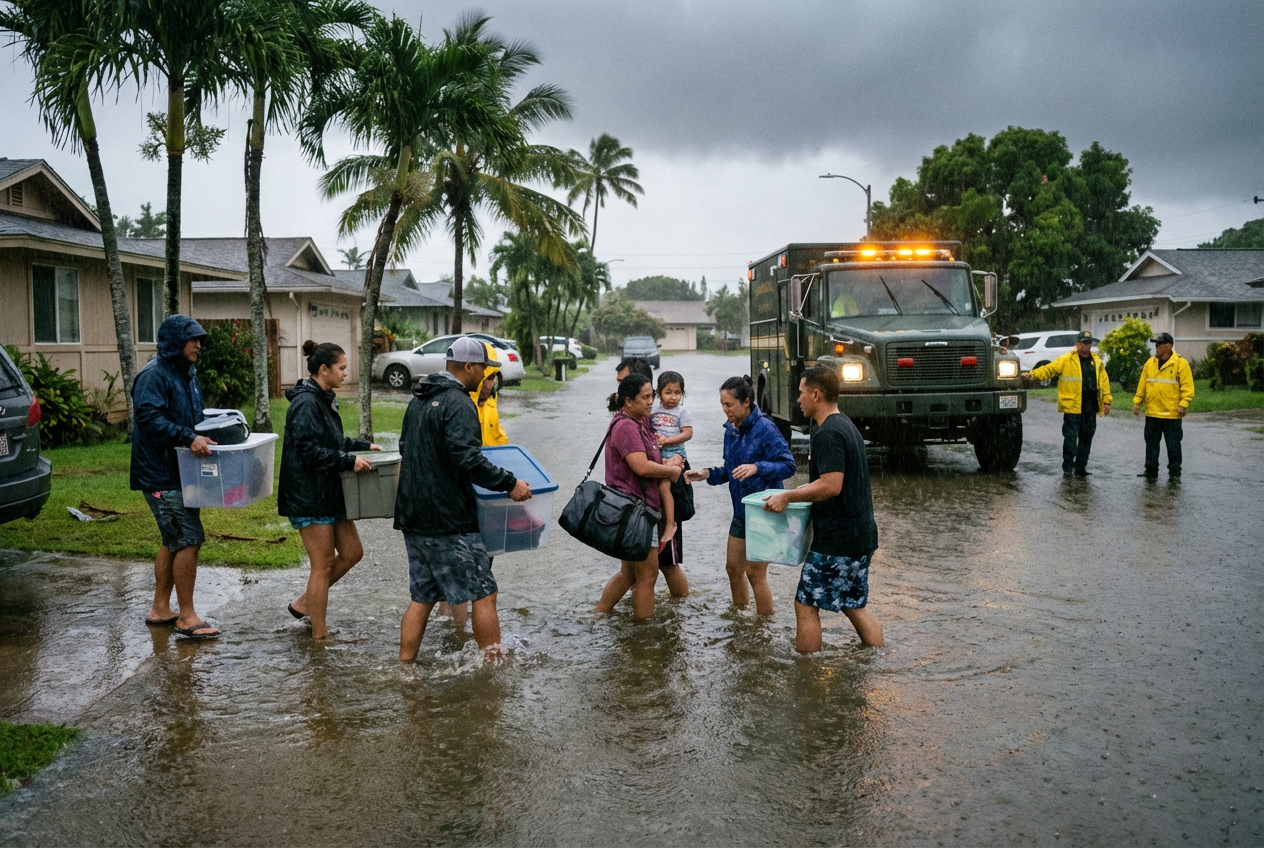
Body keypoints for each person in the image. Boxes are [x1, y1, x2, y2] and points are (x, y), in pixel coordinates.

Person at [395, 337, 532, 662]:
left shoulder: (419, 399)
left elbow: (405, 448)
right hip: (448, 521)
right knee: (485, 592)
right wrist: (509, 483)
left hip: (414, 518)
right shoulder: (458, 403)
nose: (486, 376)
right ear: (469, 367)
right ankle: (493, 666)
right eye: (484, 369)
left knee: (422, 597)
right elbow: (467, 460)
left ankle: (405, 667)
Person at [763, 366, 883, 652]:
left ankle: (808, 676)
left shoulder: (827, 434)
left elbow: (831, 485)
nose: (798, 400)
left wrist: (788, 497)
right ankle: (879, 657)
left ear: (816, 394)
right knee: (853, 605)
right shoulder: (846, 425)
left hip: (838, 541)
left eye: (801, 393)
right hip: (860, 536)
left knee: (805, 605)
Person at [278, 341, 381, 640]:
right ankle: (319, 637)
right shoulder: (306, 403)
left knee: (352, 552)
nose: (345, 374)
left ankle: (304, 603)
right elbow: (309, 451)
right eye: (342, 368)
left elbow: (329, 442)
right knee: (322, 564)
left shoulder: (323, 397)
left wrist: (361, 446)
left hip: (327, 490)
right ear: (323, 370)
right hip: (308, 495)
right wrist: (348, 461)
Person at [131, 314, 219, 640]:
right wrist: (187, 437)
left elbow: (193, 417)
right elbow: (149, 420)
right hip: (160, 475)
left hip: (181, 472)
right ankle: (187, 616)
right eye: (192, 339)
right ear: (174, 342)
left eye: (200, 340)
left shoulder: (186, 374)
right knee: (188, 539)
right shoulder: (154, 376)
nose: (198, 345)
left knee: (172, 540)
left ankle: (160, 609)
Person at [684, 375, 795, 615]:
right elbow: (730, 470)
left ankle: (762, 628)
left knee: (755, 573)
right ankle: (740, 619)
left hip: (765, 511)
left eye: (729, 405)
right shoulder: (731, 431)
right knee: (733, 569)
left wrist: (758, 467)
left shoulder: (765, 428)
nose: (725, 411)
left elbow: (788, 465)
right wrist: (707, 474)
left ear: (746, 402)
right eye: (722, 405)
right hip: (741, 512)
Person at [594, 373, 682, 620]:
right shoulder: (626, 426)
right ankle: (644, 635)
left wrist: (666, 462)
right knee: (647, 576)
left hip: (632, 511)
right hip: (636, 513)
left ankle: (599, 614)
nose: (650, 402)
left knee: (629, 573)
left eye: (651, 396)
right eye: (645, 398)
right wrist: (672, 470)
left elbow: (646, 461)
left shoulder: (637, 422)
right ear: (628, 401)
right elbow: (641, 467)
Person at [440, 343, 509, 627]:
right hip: (464, 489)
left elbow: (501, 440)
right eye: (486, 376)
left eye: (493, 378)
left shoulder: (491, 404)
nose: (489, 383)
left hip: (489, 486)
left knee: (486, 551)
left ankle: (467, 613)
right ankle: (451, 619)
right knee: (458, 559)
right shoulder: (459, 403)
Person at [1023, 330, 1112, 476]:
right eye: (1084, 343)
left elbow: (1104, 382)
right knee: (1070, 438)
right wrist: (1032, 375)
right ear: (1077, 344)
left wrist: (1106, 401)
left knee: (1086, 438)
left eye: (1089, 343)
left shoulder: (1097, 362)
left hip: (1090, 407)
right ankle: (1068, 468)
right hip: (1072, 407)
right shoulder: (1066, 360)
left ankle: (1081, 468)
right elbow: (1049, 370)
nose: (1087, 346)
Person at [650, 370, 692, 595]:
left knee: (666, 488)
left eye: (677, 393)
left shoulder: (681, 412)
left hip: (675, 459)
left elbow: (688, 433)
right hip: (659, 461)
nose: (673, 397)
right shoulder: (652, 411)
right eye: (668, 392)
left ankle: (670, 522)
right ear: (658, 394)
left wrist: (669, 441)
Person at [1133, 332, 1194, 480]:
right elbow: (1143, 384)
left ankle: (1174, 473)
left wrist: (1183, 404)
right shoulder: (1150, 363)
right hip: (1152, 413)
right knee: (1151, 445)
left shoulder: (1181, 363)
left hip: (1171, 415)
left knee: (1173, 446)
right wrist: (1137, 401)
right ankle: (1151, 471)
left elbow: (1187, 387)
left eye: (1159, 344)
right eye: (1156, 344)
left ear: (1169, 346)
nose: (1157, 347)